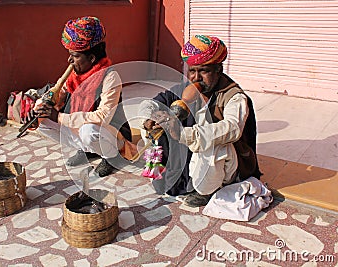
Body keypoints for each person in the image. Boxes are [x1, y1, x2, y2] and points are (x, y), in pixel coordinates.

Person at [140, 35, 261, 207]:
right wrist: (149, 117)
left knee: (213, 145)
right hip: (194, 156)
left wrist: (184, 134)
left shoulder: (234, 96)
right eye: (192, 71)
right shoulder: (185, 89)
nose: (196, 77)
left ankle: (207, 190)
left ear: (218, 70)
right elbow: (152, 102)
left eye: (204, 71)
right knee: (158, 128)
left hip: (228, 163)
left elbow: (232, 128)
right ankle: (178, 176)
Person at [36, 16, 132, 177]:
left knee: (89, 131)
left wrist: (59, 117)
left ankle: (111, 157)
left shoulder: (110, 76)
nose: (69, 60)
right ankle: (86, 150)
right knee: (42, 122)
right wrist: (40, 106)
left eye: (74, 56)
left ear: (91, 58)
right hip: (84, 127)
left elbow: (102, 117)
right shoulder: (74, 75)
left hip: (112, 133)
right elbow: (59, 95)